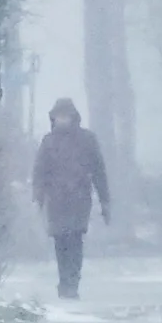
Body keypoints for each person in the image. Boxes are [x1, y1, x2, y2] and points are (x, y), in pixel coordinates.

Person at [31, 96, 111, 298]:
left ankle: (72, 282)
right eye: (59, 116)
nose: (63, 120)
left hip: (79, 198)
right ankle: (64, 280)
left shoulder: (87, 140)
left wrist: (105, 200)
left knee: (75, 240)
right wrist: (38, 197)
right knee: (60, 241)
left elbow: (99, 170)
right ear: (54, 118)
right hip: (56, 200)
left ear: (74, 117)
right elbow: (40, 171)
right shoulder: (48, 142)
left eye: (66, 116)